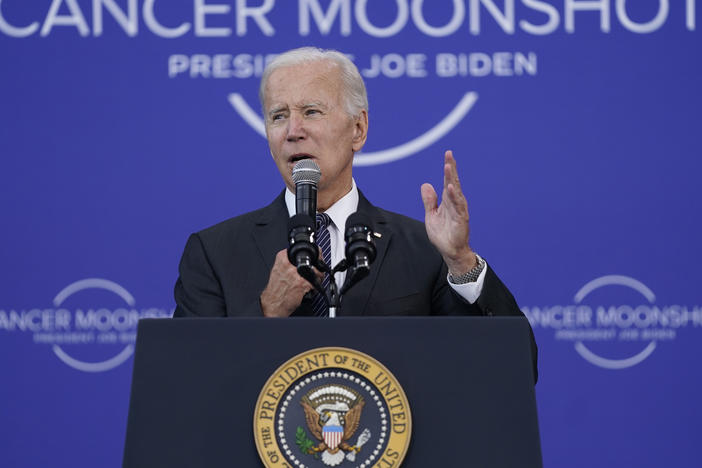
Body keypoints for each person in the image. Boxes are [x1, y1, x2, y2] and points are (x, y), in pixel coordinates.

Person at [173, 47, 536, 377]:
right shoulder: (214, 252)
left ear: (358, 129)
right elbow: (186, 386)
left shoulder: (424, 248)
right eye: (278, 116)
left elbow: (515, 368)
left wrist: (460, 261)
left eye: (311, 111)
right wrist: (267, 313)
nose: (293, 131)